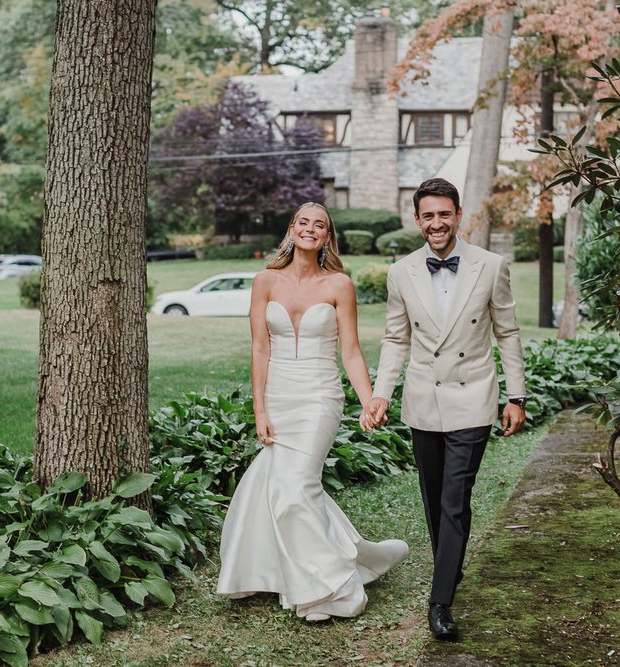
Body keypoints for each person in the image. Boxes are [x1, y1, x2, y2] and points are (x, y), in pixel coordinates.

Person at [216, 202, 410, 622]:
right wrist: (259, 409)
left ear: (326, 237)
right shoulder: (264, 281)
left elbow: (352, 352)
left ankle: (336, 590)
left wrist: (369, 400)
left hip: (321, 396)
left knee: (294, 489)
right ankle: (361, 558)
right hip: (280, 397)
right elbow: (260, 348)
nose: (310, 229)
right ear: (292, 229)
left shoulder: (340, 284)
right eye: (303, 222)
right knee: (289, 489)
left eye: (319, 225)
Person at [367, 178, 527, 641]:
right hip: (423, 398)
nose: (436, 223)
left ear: (459, 215)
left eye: (444, 214)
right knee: (434, 498)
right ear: (417, 220)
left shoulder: (491, 266)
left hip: (473, 397)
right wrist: (381, 393)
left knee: (455, 499)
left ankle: (439, 602)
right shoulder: (401, 272)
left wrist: (516, 396)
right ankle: (449, 566)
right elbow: (396, 338)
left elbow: (508, 334)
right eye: (427, 216)